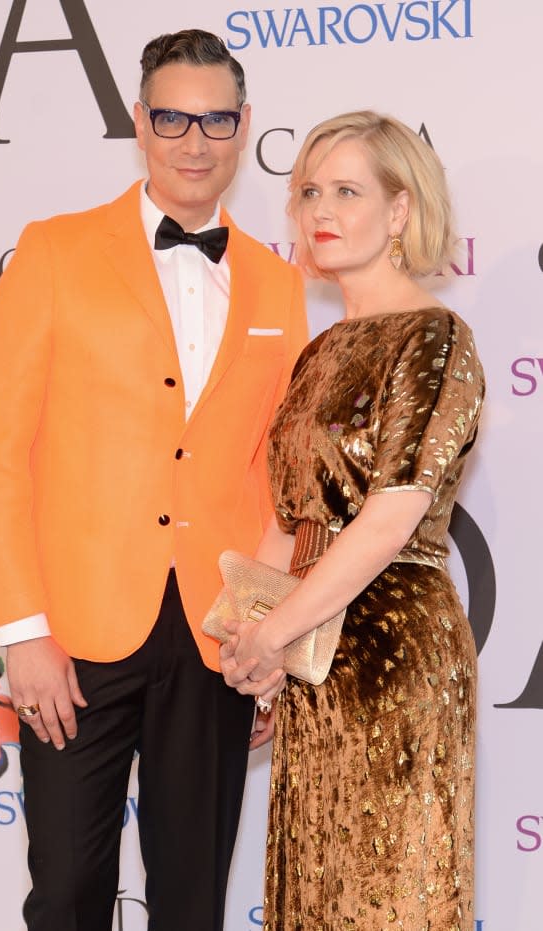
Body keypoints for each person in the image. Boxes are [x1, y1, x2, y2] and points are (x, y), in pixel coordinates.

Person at [0, 29, 308, 931]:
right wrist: (24, 633)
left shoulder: (278, 284)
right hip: (71, 640)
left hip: (213, 640)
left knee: (192, 898)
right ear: (138, 122)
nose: (195, 141)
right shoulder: (54, 252)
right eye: (173, 118)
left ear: (244, 127)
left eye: (216, 119)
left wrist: (262, 637)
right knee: (69, 893)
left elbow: (281, 477)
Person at [220, 110, 484, 930]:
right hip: (308, 659)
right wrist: (249, 645)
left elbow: (390, 517)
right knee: (315, 899)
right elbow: (289, 516)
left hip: (392, 659)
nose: (319, 210)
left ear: (401, 210)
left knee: (388, 894)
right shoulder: (319, 351)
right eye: (306, 192)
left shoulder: (437, 339)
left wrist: (276, 633)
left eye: (345, 190)